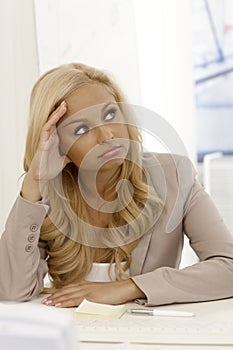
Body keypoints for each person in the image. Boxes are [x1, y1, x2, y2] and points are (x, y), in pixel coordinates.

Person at [1, 62, 233, 308]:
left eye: (110, 115)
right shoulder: (45, 195)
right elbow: (11, 291)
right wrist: (33, 183)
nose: (107, 136)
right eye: (81, 129)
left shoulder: (174, 175)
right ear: (57, 143)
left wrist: (128, 288)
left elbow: (228, 267)